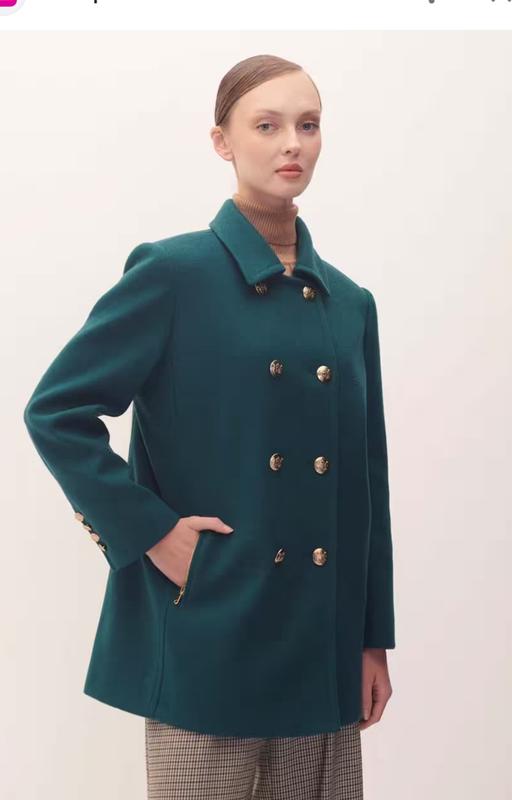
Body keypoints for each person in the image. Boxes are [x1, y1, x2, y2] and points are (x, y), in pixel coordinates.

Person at [23, 54, 395, 799]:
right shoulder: (173, 274)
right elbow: (56, 410)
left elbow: (366, 480)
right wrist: (151, 532)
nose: (292, 144)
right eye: (267, 125)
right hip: (210, 624)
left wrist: (370, 639)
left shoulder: (349, 302)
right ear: (222, 141)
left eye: (308, 125)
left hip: (320, 642)